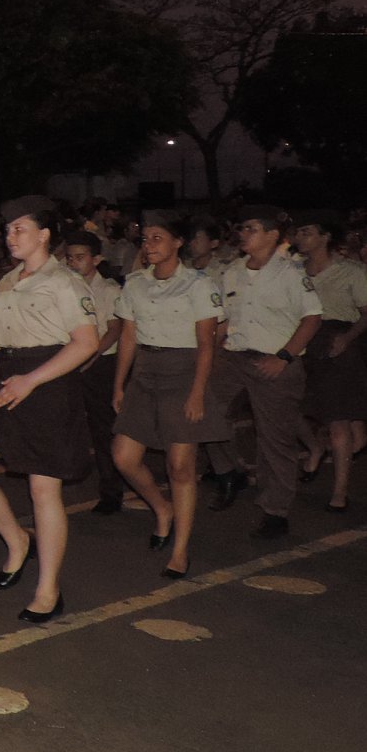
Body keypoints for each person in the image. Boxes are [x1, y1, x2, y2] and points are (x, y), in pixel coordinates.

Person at [0, 196, 103, 623]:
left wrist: (32, 380)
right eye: (8, 229)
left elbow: (86, 343)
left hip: (47, 382)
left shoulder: (65, 283)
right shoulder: (6, 282)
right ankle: (17, 540)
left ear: (44, 235)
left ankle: (48, 588)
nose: (10, 236)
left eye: (20, 229)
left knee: (43, 489)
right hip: (6, 377)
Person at [110, 213, 227, 578]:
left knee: (180, 466)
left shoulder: (197, 284)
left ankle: (180, 550)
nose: (149, 245)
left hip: (183, 372)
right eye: (145, 239)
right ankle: (162, 508)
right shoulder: (134, 285)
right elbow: (128, 338)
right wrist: (119, 383)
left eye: (158, 238)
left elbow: (206, 345)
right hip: (145, 372)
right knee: (124, 457)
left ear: (178, 242)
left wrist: (197, 393)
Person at [209, 206, 323, 539]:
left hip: (275, 361)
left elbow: (312, 317)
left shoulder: (289, 272)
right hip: (233, 357)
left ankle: (275, 511)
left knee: (275, 440)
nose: (243, 234)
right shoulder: (232, 272)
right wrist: (212, 354)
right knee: (204, 415)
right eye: (242, 228)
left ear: (273, 235)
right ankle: (230, 472)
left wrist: (284, 356)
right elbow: (225, 319)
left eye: (251, 228)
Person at [291, 217, 367, 512]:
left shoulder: (350, 272)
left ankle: (339, 493)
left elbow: (365, 314)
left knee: (340, 423)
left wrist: (346, 338)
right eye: (298, 231)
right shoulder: (295, 271)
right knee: (292, 408)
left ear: (325, 237)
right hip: (303, 343)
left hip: (338, 344)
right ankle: (316, 448)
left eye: (306, 230)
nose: (300, 236)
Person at [62, 231, 132, 519]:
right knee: (73, 422)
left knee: (104, 429)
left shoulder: (109, 290)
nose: (74, 263)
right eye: (69, 258)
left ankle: (111, 490)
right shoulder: (66, 287)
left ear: (96, 259)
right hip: (71, 360)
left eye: (80, 257)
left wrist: (91, 354)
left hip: (102, 362)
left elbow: (115, 328)